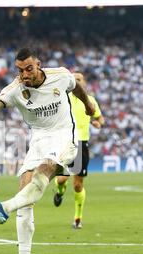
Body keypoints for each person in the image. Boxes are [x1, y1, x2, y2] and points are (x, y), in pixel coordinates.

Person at [0, 48, 96, 254]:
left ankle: (4, 207)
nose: (24, 75)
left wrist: (88, 105)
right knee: (25, 190)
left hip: (65, 136)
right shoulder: (16, 88)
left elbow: (77, 88)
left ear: (38, 65)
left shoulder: (60, 75)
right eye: (20, 70)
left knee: (45, 169)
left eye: (28, 69)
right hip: (38, 139)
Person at [53, 72, 105, 229]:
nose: (76, 81)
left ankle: (77, 218)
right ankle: (60, 192)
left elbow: (100, 118)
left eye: (79, 79)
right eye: (73, 79)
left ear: (85, 83)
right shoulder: (64, 99)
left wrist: (98, 123)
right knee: (61, 180)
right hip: (65, 143)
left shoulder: (91, 101)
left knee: (77, 185)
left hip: (81, 145)